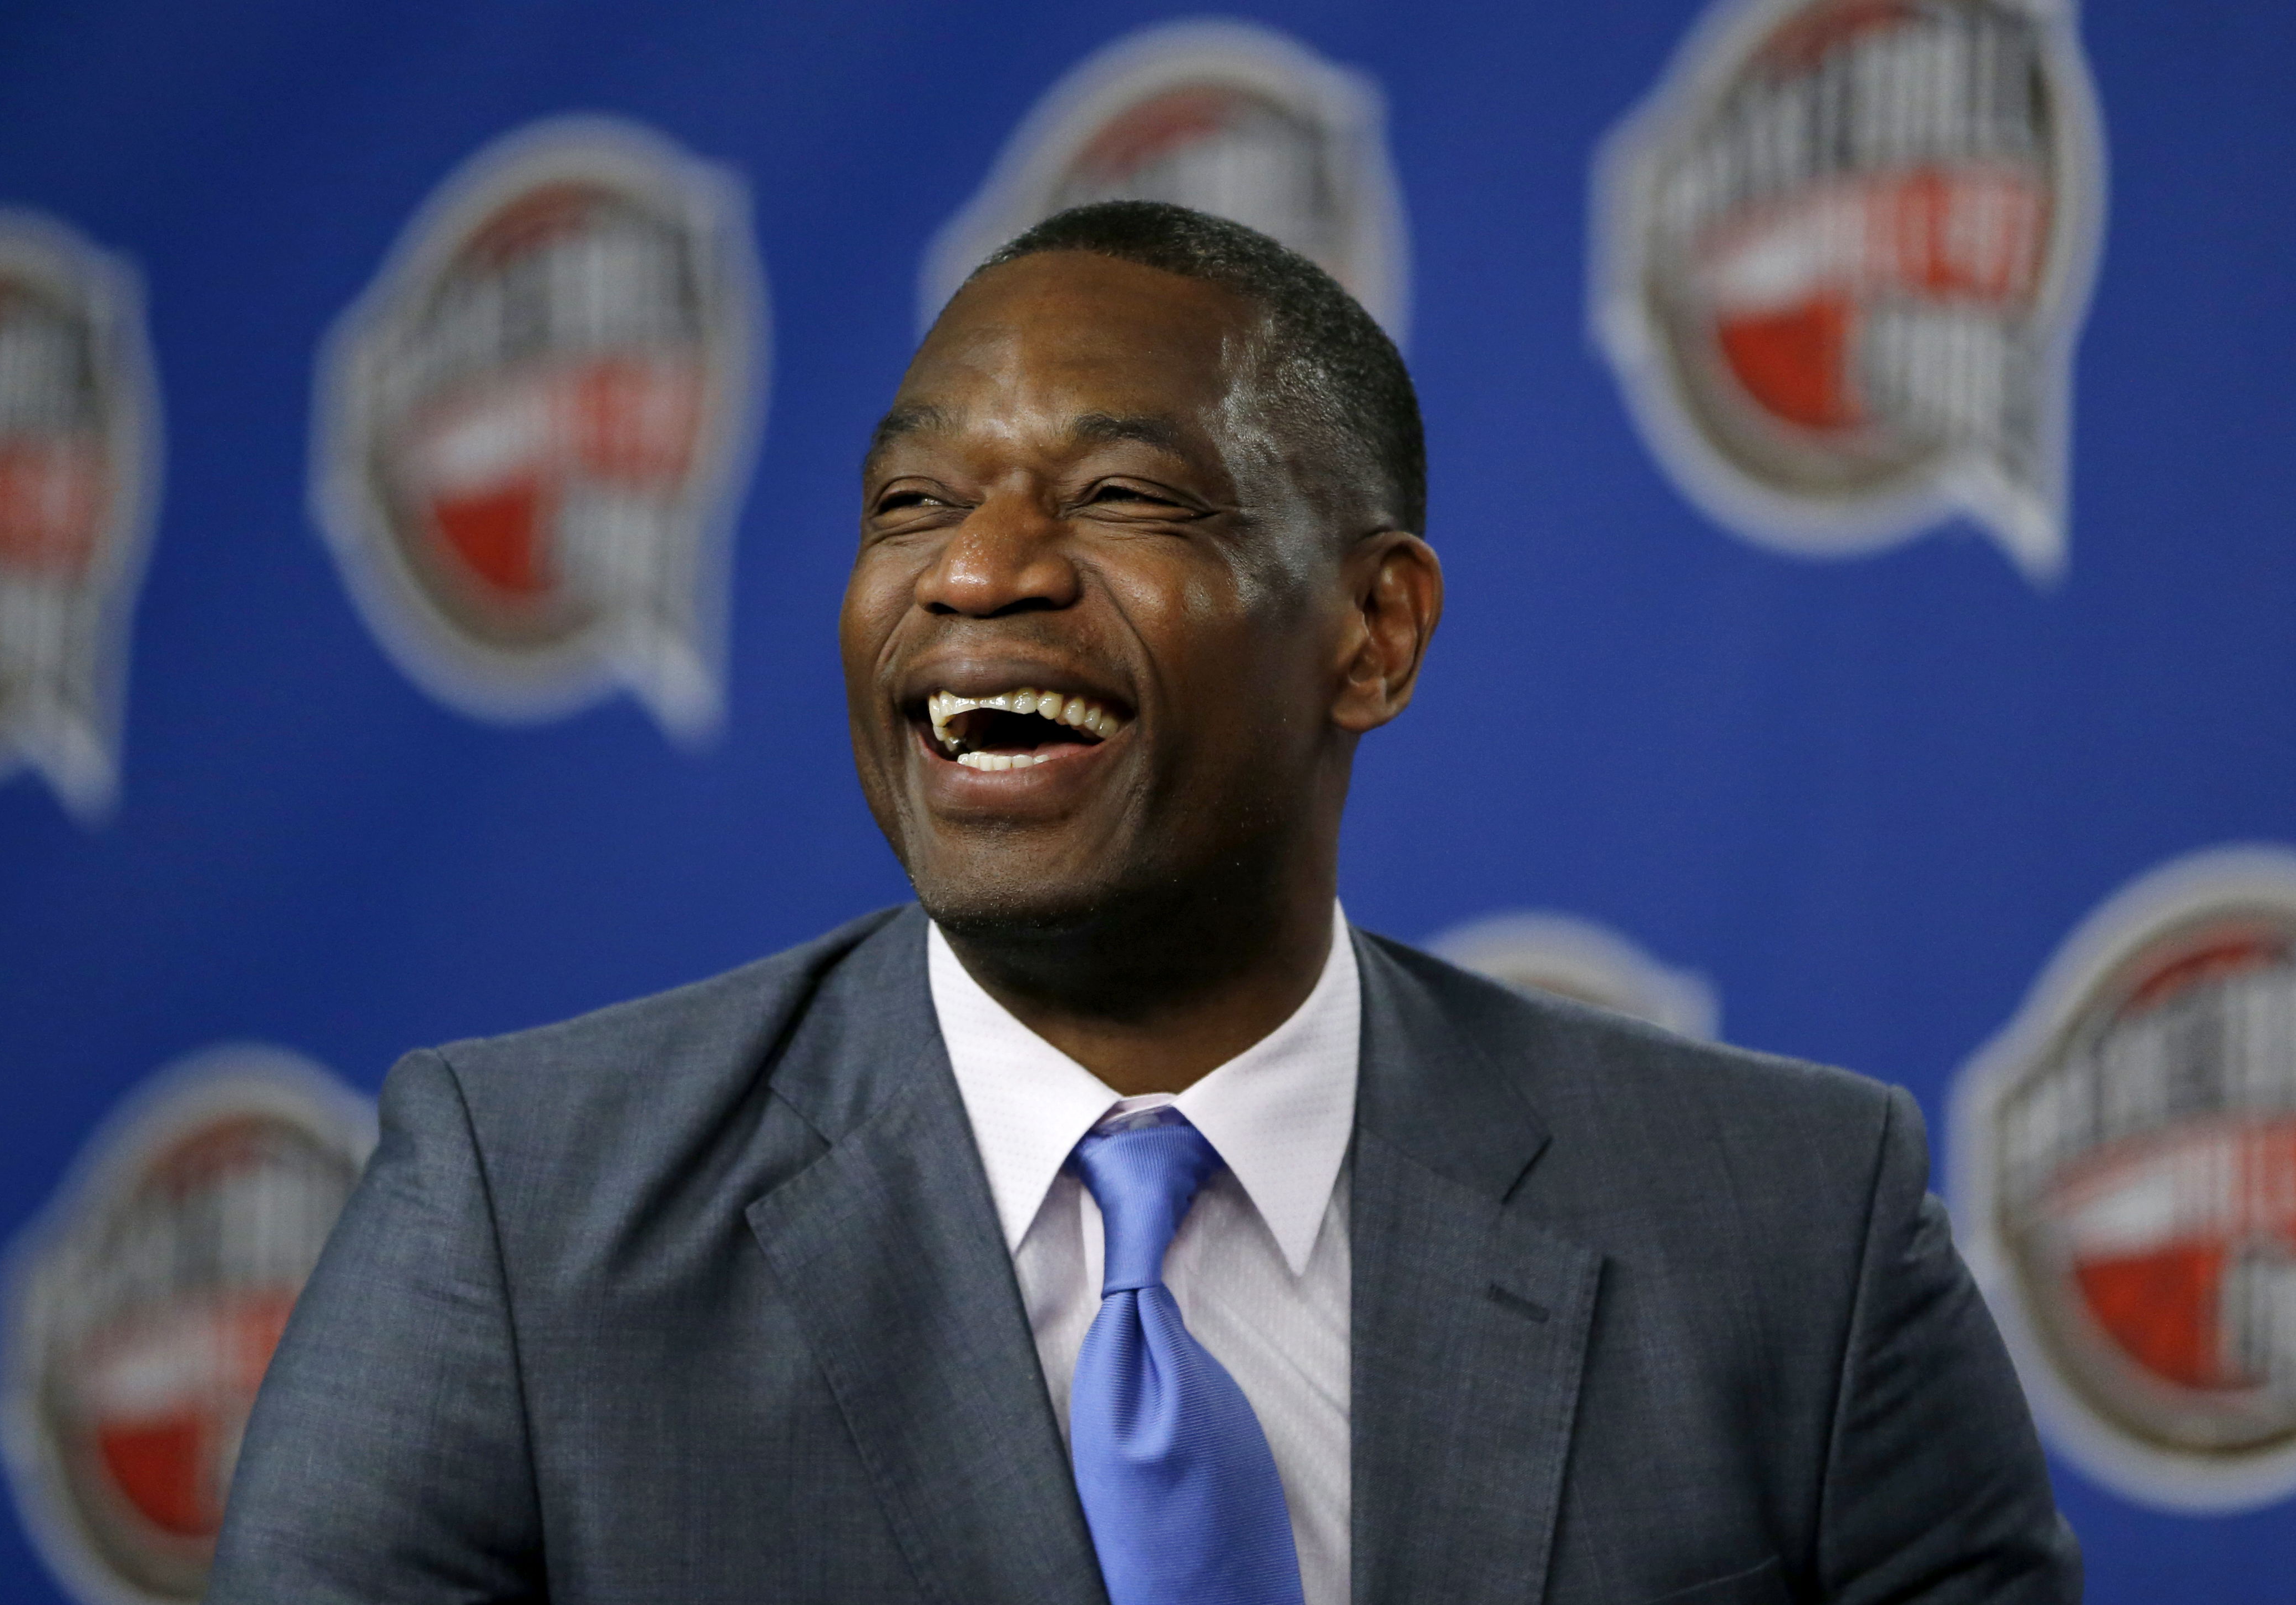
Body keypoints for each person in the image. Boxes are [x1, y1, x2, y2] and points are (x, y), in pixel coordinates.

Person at [209, 200, 2079, 1605]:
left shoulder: (1785, 1230)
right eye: (911, 500)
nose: (980, 570)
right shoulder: (520, 1214)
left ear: (1373, 628)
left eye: (1118, 494)